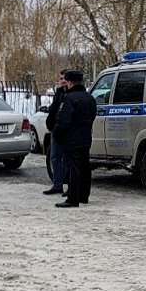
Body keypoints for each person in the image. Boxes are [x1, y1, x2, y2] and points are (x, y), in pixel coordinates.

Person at [53, 70, 97, 208]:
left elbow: (64, 120)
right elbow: (93, 116)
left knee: (74, 168)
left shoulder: (69, 98)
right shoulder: (90, 98)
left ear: (70, 81)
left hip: (72, 139)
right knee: (85, 167)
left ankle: (73, 198)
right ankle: (84, 196)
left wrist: (57, 134)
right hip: (85, 137)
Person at [42, 70, 69, 195]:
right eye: (61, 78)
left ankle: (69, 185)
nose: (63, 81)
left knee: (67, 159)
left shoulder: (71, 94)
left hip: (66, 131)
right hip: (55, 130)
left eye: (65, 78)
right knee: (55, 157)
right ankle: (57, 184)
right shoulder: (59, 93)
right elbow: (54, 110)